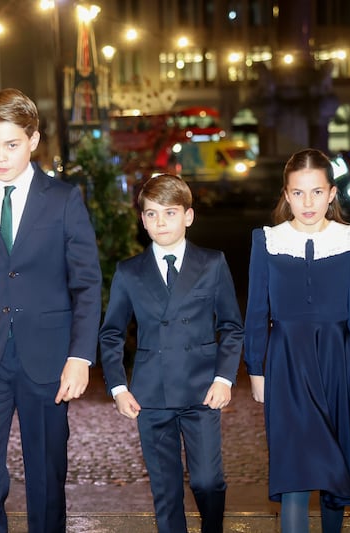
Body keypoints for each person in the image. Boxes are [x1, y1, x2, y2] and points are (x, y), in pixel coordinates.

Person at [0, 88, 102, 532]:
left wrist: (80, 356)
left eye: (11, 144)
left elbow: (86, 283)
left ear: (33, 140)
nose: (0, 156)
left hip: (48, 358)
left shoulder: (63, 199)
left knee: (47, 471)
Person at [99, 174, 244, 533]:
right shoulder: (129, 272)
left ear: (188, 216)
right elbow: (112, 333)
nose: (160, 222)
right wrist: (118, 388)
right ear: (142, 219)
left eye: (169, 213)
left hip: (201, 392)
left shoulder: (212, 263)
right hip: (151, 394)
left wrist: (224, 377)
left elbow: (231, 325)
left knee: (208, 481)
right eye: (151, 214)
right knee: (165, 493)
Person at [244, 149, 350, 533]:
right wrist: (255, 368)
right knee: (294, 469)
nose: (308, 202)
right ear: (286, 194)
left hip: (339, 361)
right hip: (286, 365)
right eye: (298, 193)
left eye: (316, 192)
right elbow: (255, 310)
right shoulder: (267, 241)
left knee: (337, 470)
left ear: (332, 193)